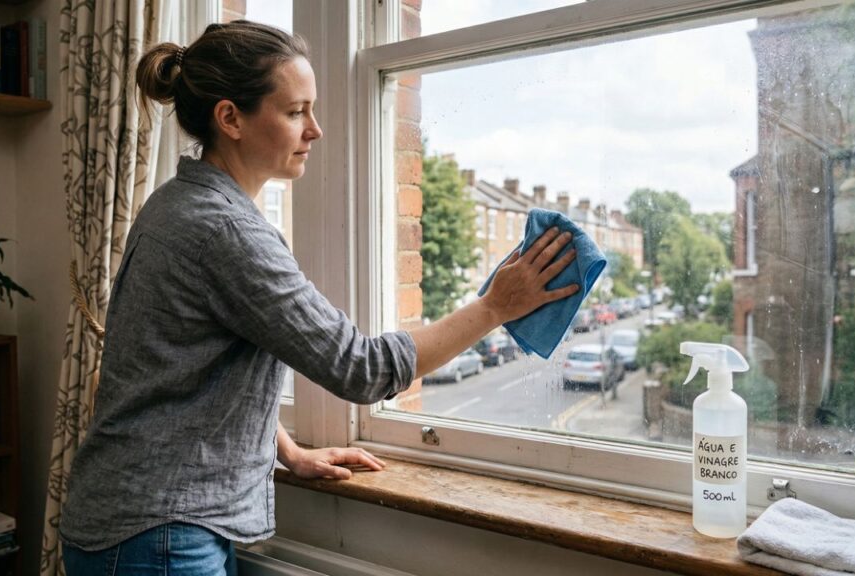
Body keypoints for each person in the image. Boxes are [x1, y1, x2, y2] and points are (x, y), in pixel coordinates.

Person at [59, 20, 578, 576]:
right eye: (294, 111)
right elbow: (361, 369)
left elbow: (190, 371)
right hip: (158, 536)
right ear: (230, 118)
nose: (316, 130)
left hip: (134, 520)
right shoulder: (225, 231)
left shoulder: (176, 202)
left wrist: (287, 451)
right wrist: (495, 306)